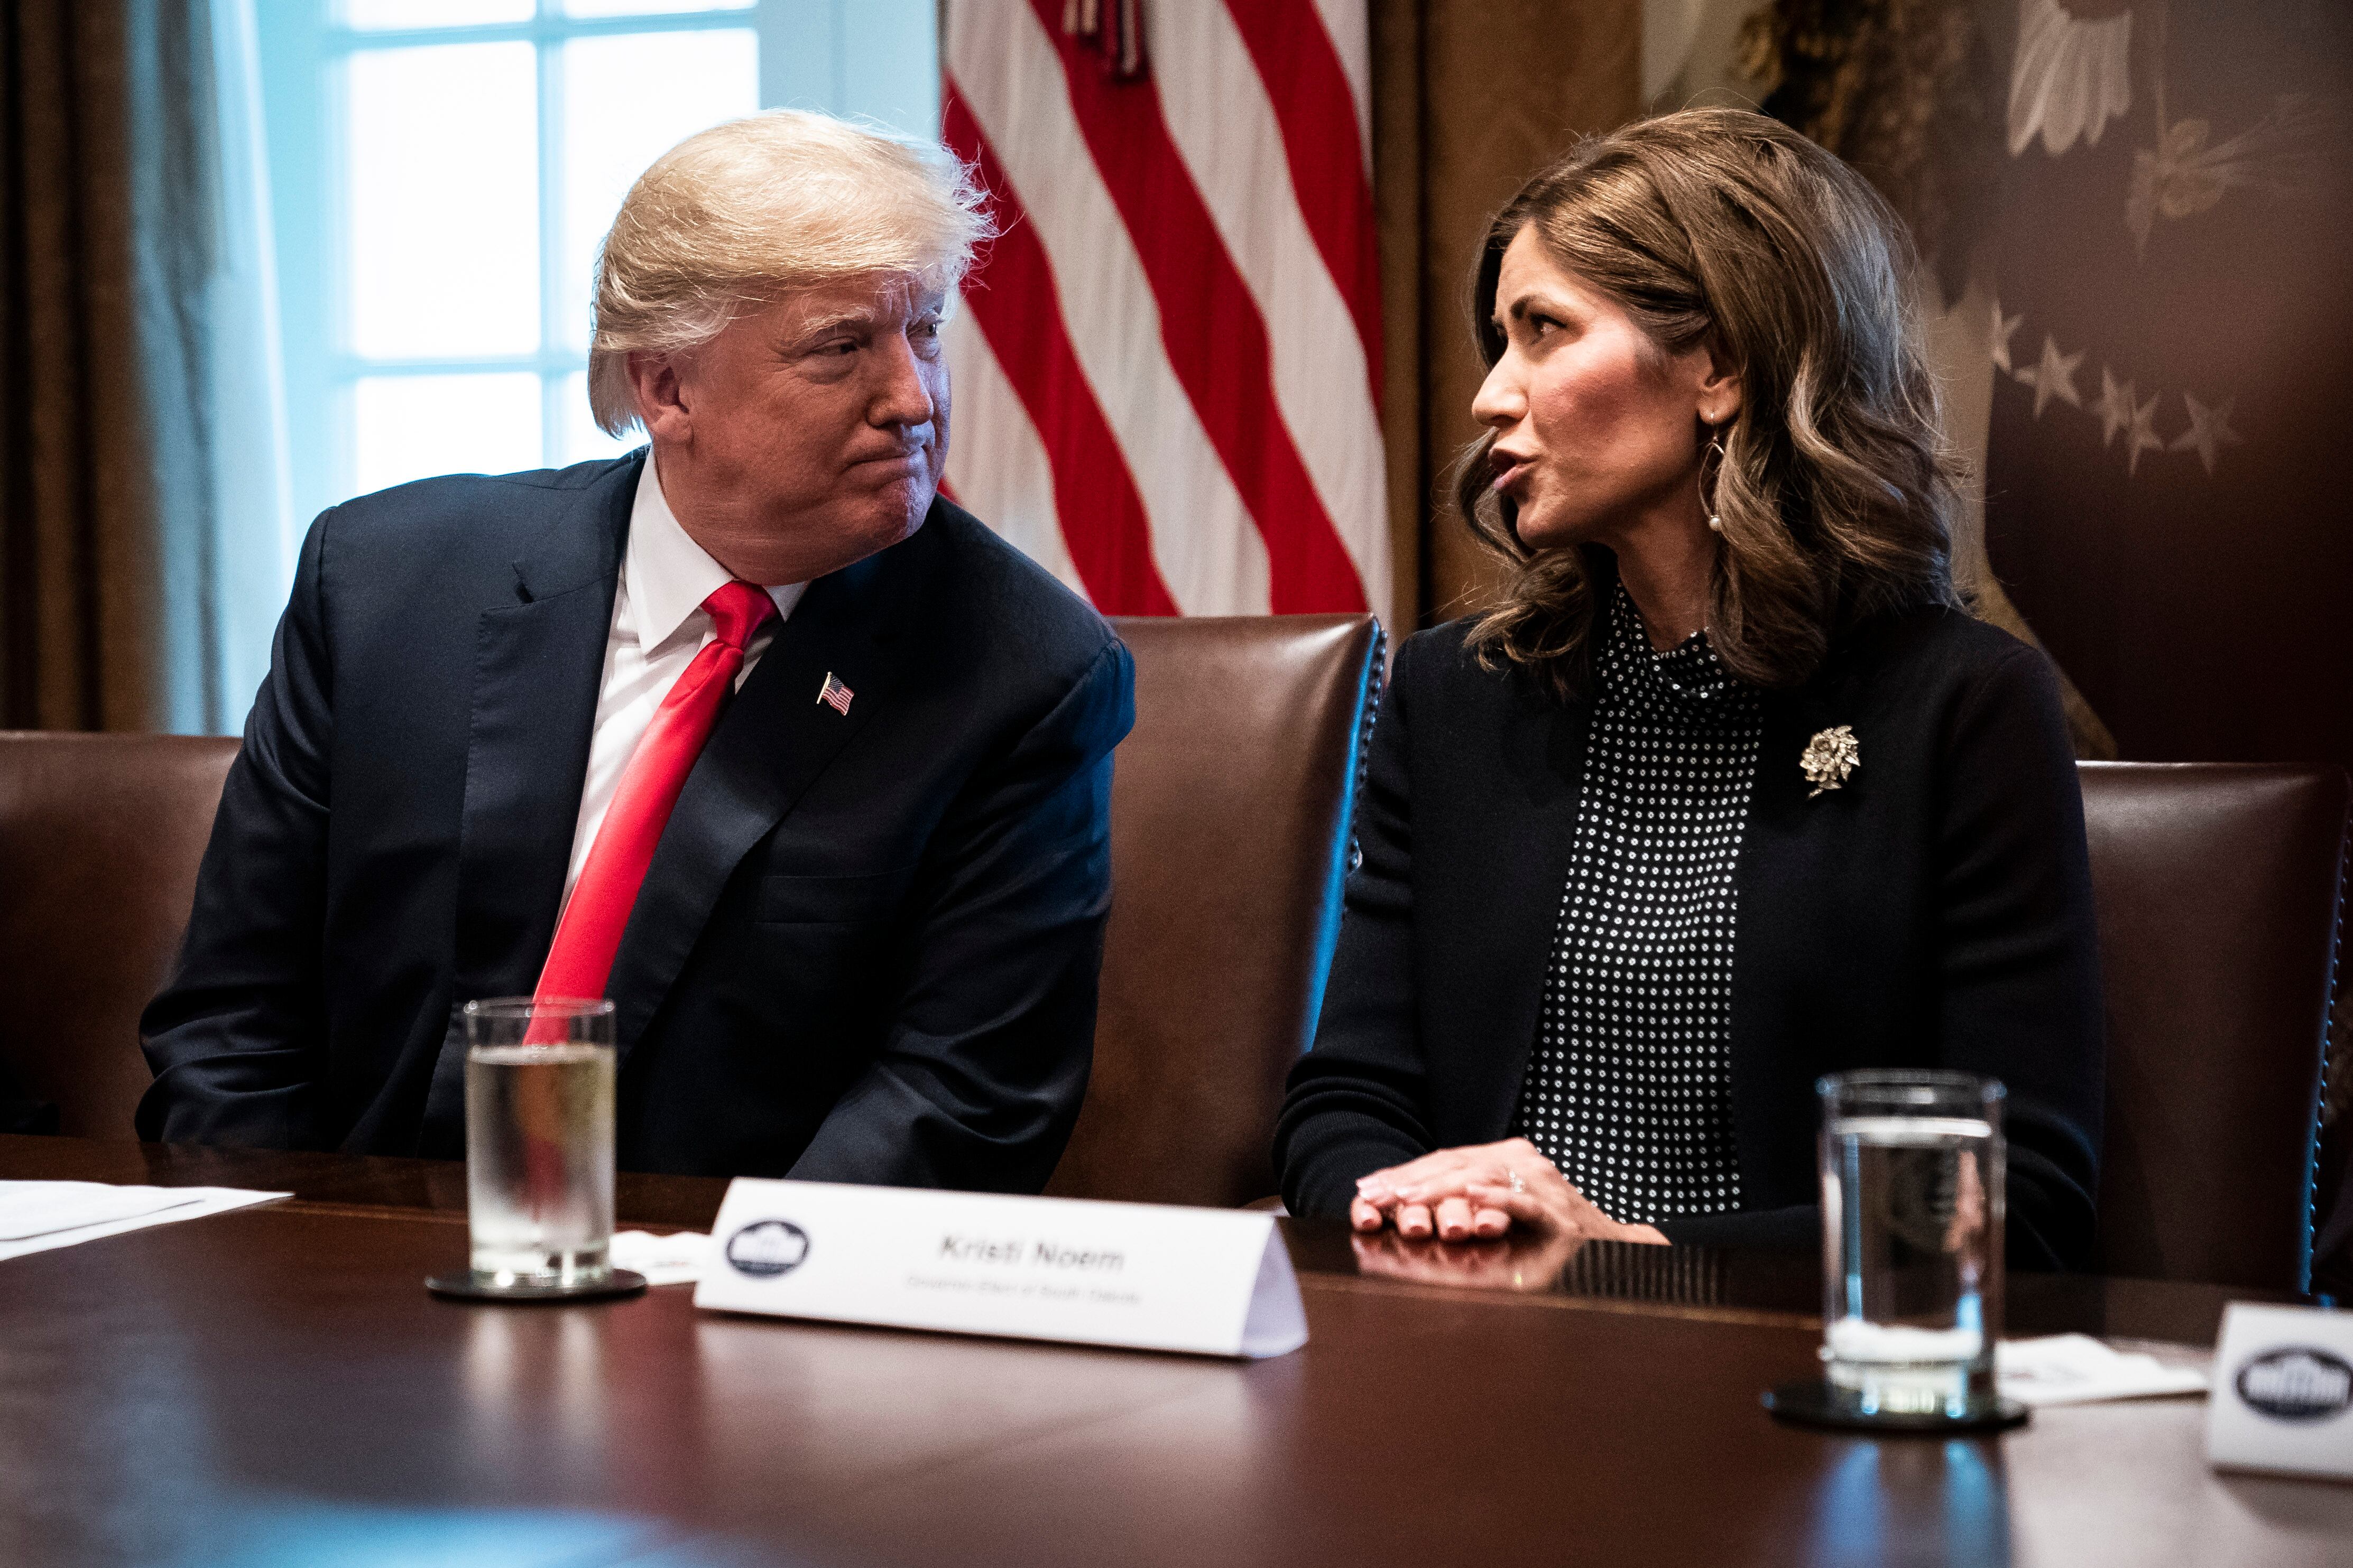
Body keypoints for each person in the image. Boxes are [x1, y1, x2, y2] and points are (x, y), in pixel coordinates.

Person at [138, 110, 1134, 1191]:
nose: (913, 398)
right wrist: (281, 1277)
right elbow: (232, 1021)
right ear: (667, 387)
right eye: (843, 348)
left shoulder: (1022, 671)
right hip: (342, 1282)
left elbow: (955, 1104)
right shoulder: (383, 586)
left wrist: (717, 1318)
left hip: (712, 1308)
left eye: (927, 330)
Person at [1274, 109, 2103, 1269]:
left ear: (1719, 366)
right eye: (1496, 341)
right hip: (1469, 1350)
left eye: (1543, 332)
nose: (1489, 396)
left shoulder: (1960, 709)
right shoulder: (1451, 695)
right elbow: (1342, 1099)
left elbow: (2021, 1190)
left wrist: (1633, 1249)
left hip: (1781, 1389)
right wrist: (1427, 1206)